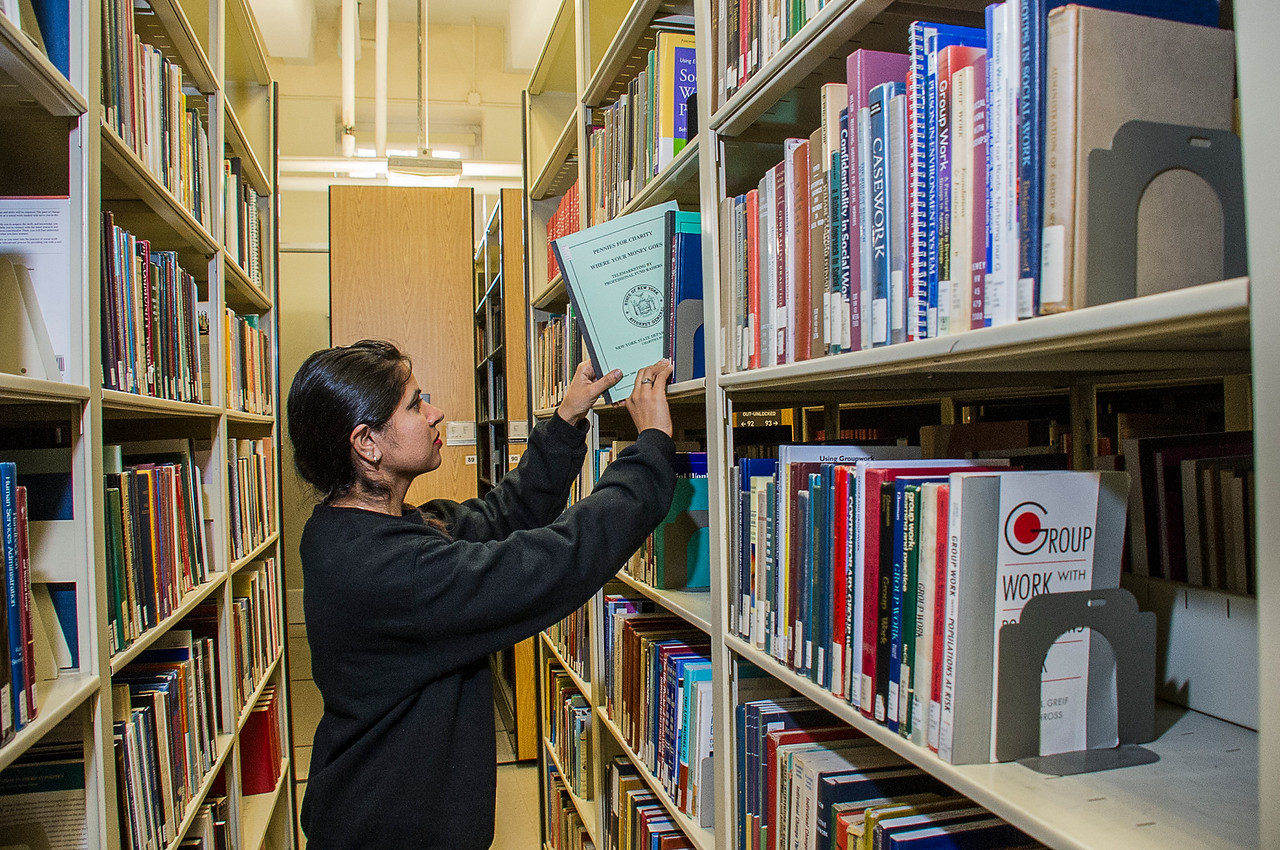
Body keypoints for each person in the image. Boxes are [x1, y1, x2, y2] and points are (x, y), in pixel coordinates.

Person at [286, 338, 678, 849]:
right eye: (415, 403)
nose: (435, 412)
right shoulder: (391, 570)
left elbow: (497, 518)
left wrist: (564, 422)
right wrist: (649, 448)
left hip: (380, 807)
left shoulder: (356, 528)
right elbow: (553, 564)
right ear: (367, 443)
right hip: (389, 828)